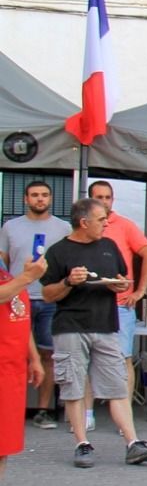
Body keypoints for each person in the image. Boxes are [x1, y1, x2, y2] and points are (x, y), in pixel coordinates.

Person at [40, 197, 147, 469]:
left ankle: (133, 443)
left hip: (106, 325)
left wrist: (119, 286)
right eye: (101, 220)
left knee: (117, 386)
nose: (106, 223)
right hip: (70, 326)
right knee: (73, 386)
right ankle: (82, 443)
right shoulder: (58, 252)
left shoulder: (109, 246)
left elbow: (119, 278)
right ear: (84, 222)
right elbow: (47, 295)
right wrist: (69, 281)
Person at [0, 179, 71, 428]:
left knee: (47, 354)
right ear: (25, 199)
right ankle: (12, 407)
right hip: (16, 299)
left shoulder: (63, 228)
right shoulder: (10, 227)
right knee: (14, 353)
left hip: (48, 299)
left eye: (44, 195)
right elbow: (4, 263)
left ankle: (43, 409)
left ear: (50, 199)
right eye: (34, 195)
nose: (39, 199)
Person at [87, 181, 147, 417]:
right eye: (99, 197)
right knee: (87, 360)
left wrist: (141, 290)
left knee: (124, 359)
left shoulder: (124, 225)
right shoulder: (82, 226)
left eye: (107, 197)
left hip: (120, 305)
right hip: (89, 305)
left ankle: (124, 415)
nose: (104, 202)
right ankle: (86, 416)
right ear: (90, 200)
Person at [0, 256, 48, 486]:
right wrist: (28, 278)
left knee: (3, 440)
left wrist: (34, 357)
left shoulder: (5, 272)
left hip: (11, 368)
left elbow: (19, 310)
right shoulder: (14, 277)